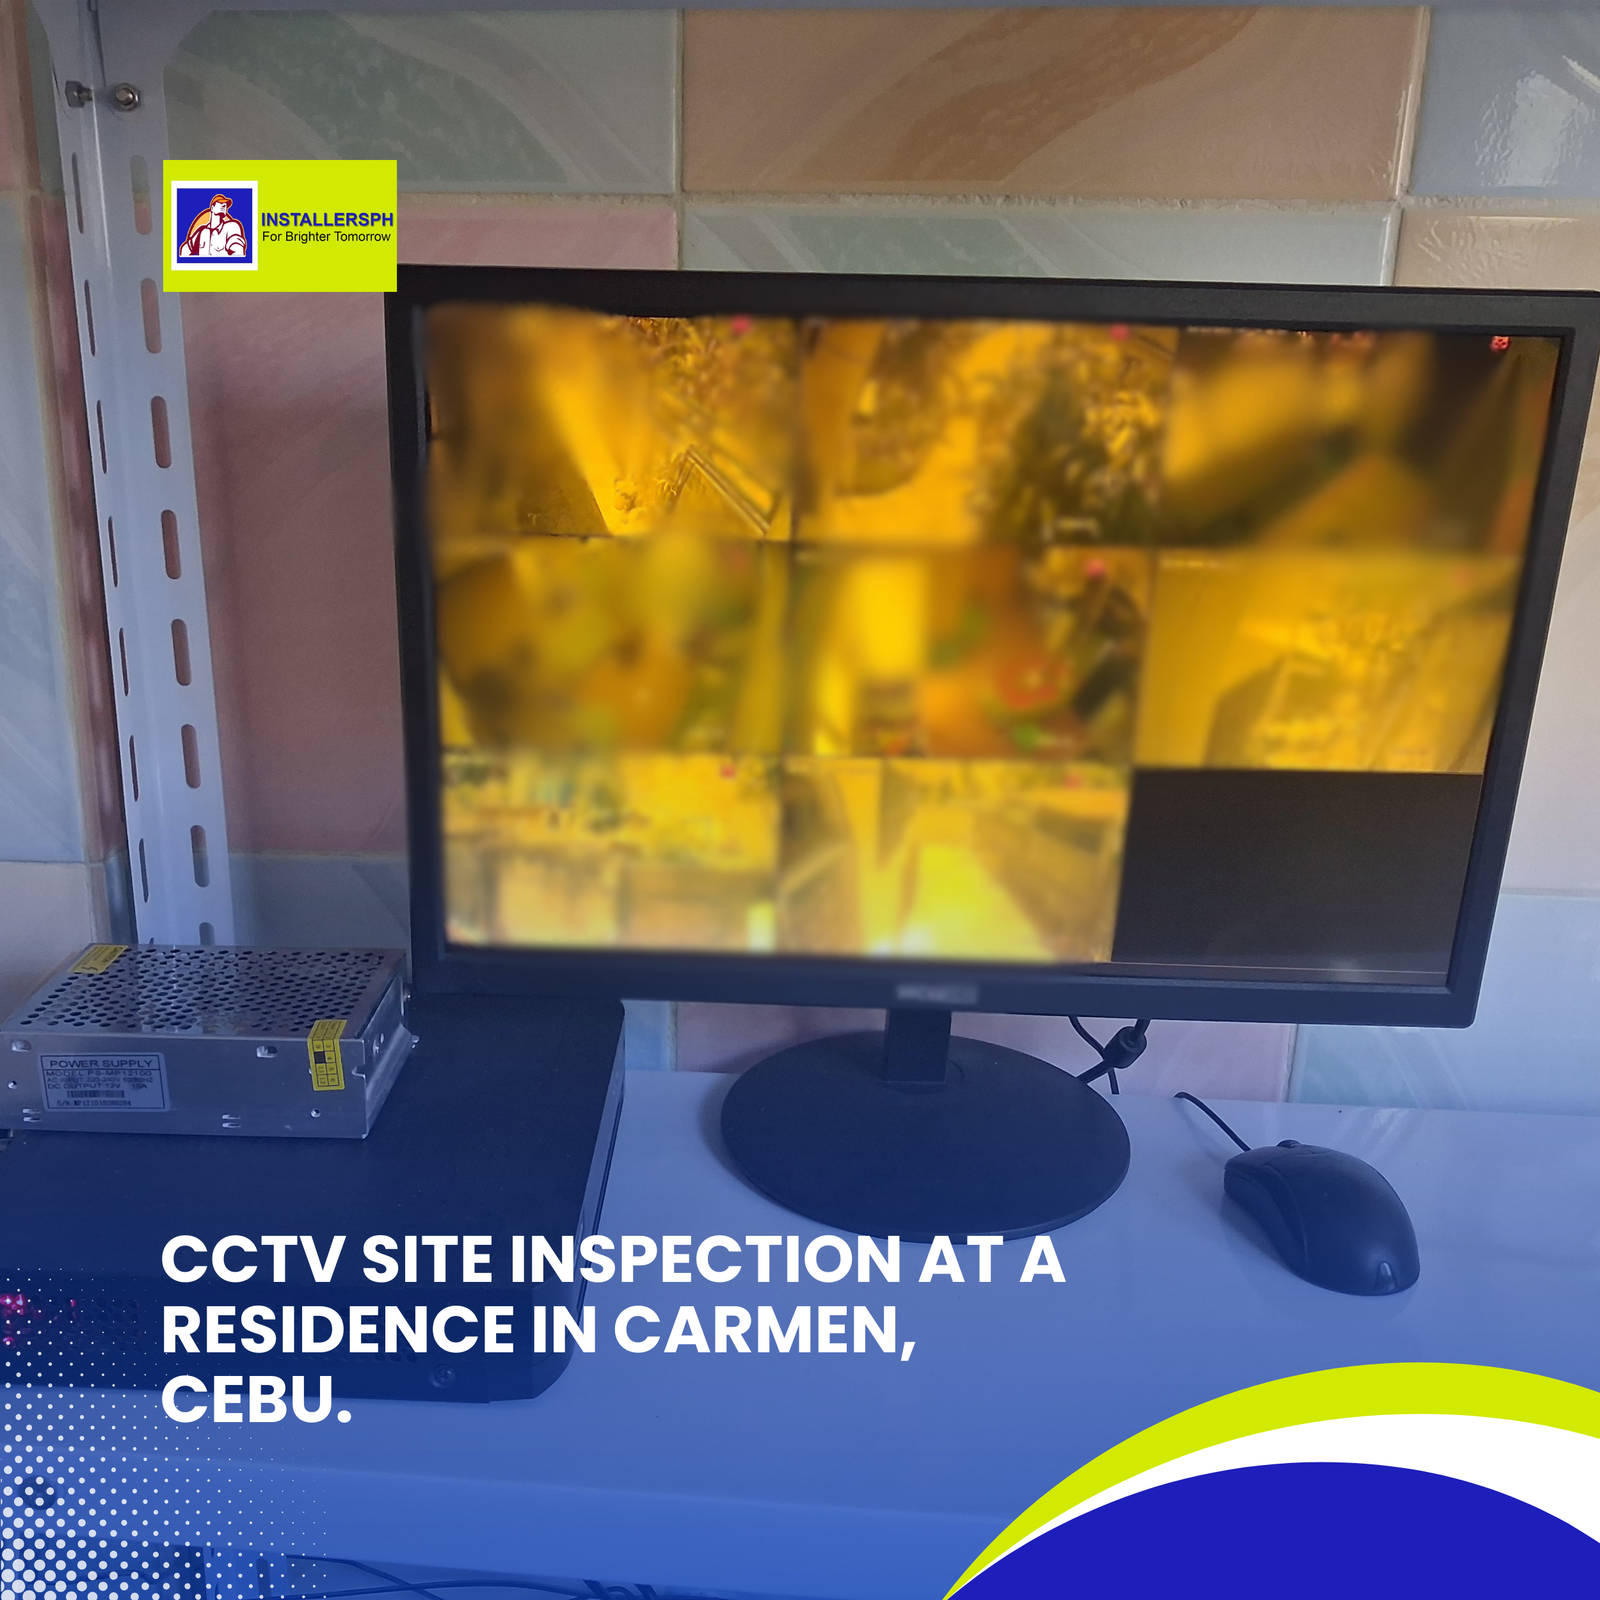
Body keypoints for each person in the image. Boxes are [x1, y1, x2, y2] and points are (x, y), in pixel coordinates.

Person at [179, 194, 246, 258]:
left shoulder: (232, 227)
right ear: (212, 208)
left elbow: (238, 251)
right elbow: (185, 249)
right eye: (220, 203)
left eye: (226, 205)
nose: (224, 205)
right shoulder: (201, 231)